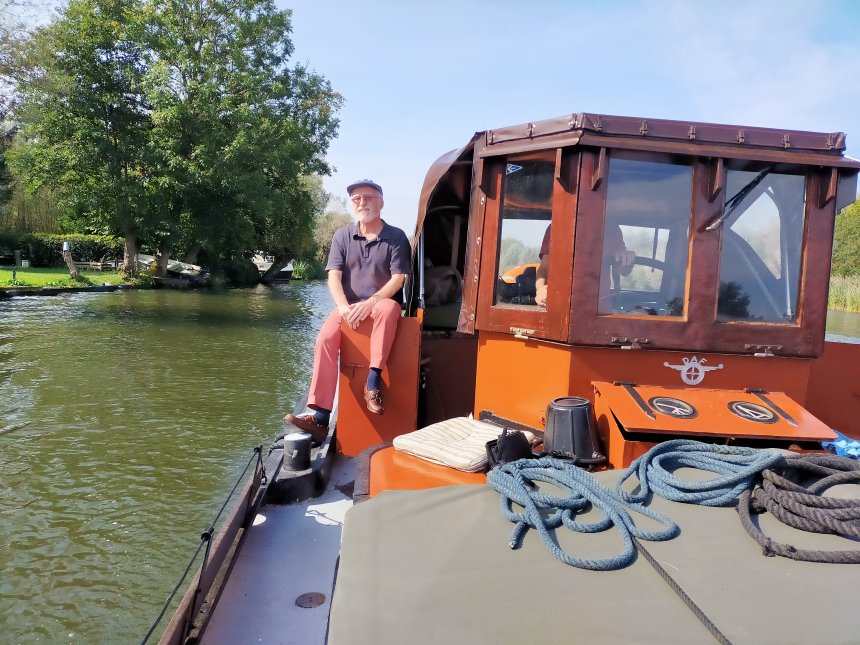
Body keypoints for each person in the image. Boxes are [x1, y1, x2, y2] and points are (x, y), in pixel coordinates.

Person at [285, 179, 411, 444]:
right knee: (325, 339)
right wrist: (343, 307)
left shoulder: (396, 236)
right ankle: (319, 416)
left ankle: (373, 382)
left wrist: (372, 302)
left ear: (381, 202)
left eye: (368, 197)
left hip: (380, 303)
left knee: (390, 308)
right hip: (349, 306)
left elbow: (398, 278)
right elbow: (334, 277)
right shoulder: (342, 235)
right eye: (356, 199)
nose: (362, 202)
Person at [534, 223, 634, 308]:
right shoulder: (558, 225)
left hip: (600, 309)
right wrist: (540, 289)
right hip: (562, 306)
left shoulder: (612, 229)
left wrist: (628, 258)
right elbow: (544, 269)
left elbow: (624, 271)